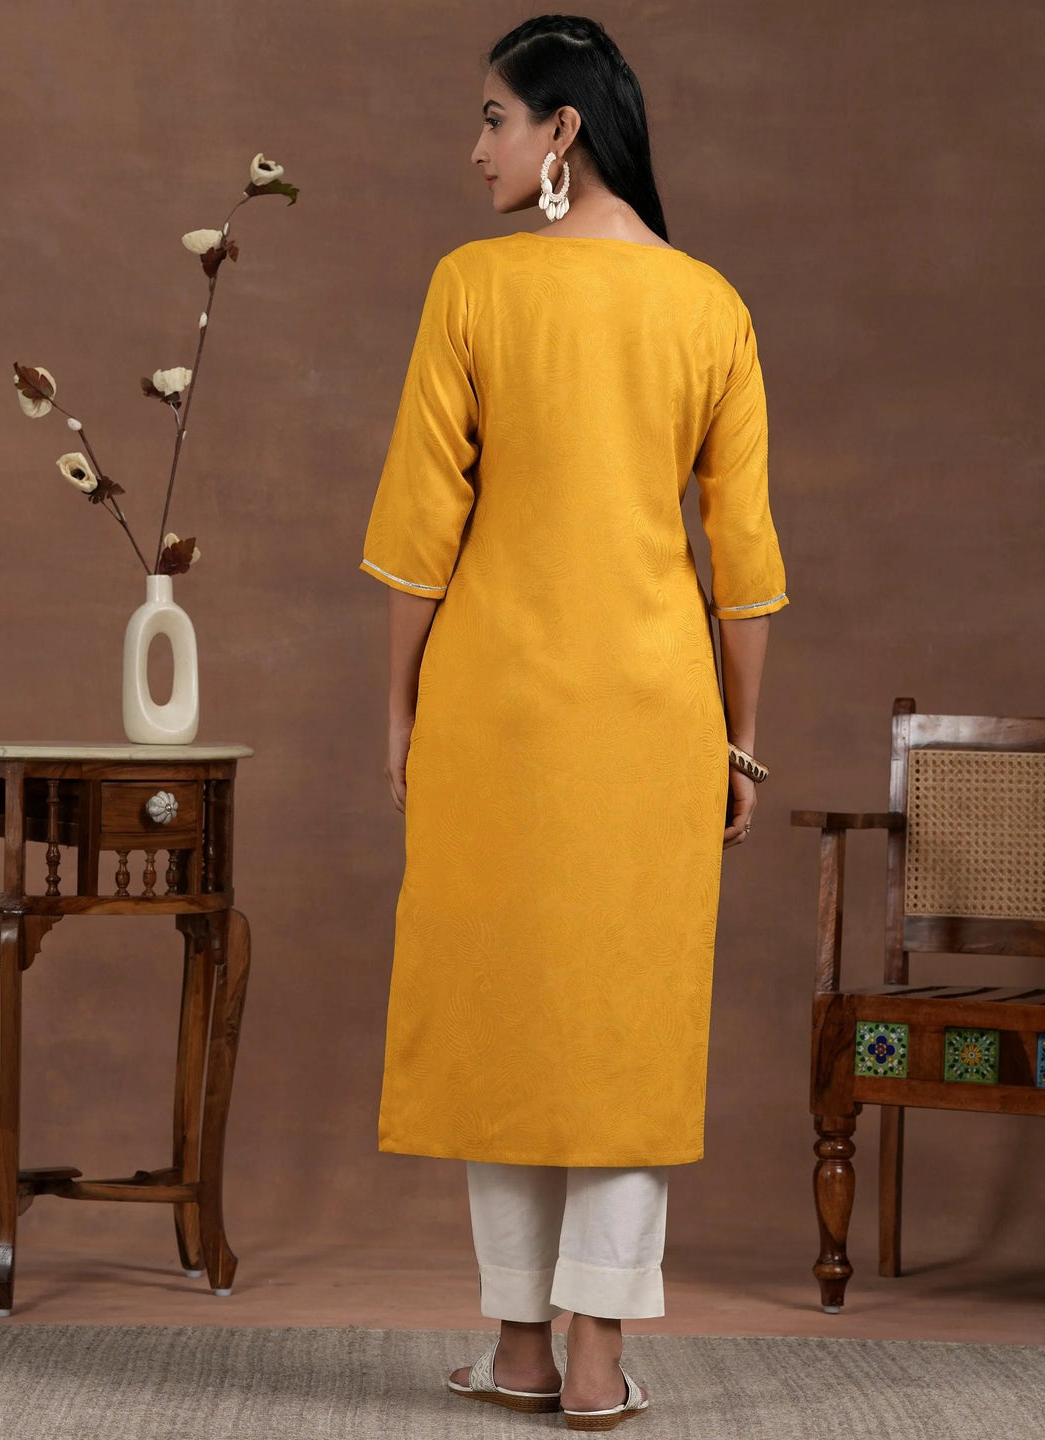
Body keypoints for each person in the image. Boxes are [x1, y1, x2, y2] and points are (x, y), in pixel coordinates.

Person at [358, 14, 788, 1429]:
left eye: (494, 117)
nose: (475, 146)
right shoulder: (711, 307)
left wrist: (399, 708)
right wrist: (735, 741)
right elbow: (744, 563)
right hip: (655, 712)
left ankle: (521, 1345)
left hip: (495, 707)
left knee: (505, 1009)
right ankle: (592, 1353)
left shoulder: (473, 287)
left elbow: (419, 534)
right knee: (624, 1020)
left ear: (563, 131)